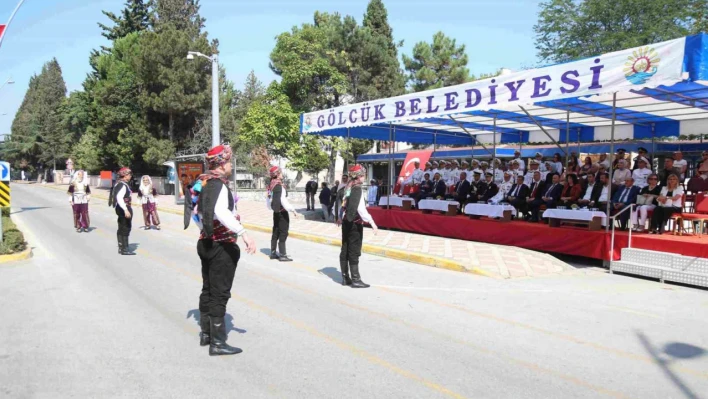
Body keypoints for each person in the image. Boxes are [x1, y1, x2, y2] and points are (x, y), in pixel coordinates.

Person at [192, 144, 256, 356]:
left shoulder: (203, 182)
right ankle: (218, 343)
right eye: (228, 162)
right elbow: (220, 211)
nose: (231, 165)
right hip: (221, 245)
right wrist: (243, 232)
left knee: (208, 288)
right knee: (219, 293)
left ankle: (206, 333)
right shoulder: (218, 185)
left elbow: (194, 213)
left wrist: (204, 230)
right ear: (221, 164)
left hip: (206, 242)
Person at [338, 164, 378, 288]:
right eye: (363, 174)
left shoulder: (347, 187)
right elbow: (361, 209)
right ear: (359, 176)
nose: (364, 177)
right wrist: (372, 222)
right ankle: (356, 279)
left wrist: (340, 217)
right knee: (354, 250)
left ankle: (345, 277)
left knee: (345, 248)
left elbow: (343, 205)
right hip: (354, 223)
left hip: (346, 221)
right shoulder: (357, 189)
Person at [267, 166, 298, 261]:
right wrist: (292, 210)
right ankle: (282, 254)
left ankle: (273, 253)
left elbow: (268, 199)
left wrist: (271, 208)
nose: (282, 174)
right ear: (278, 174)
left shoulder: (271, 185)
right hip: (282, 212)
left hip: (275, 212)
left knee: (275, 231)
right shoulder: (279, 186)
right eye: (280, 173)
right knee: (283, 232)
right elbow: (283, 200)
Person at [111, 167, 136, 255]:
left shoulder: (118, 184)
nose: (130, 176)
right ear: (124, 176)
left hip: (120, 207)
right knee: (126, 227)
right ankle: (124, 249)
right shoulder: (123, 185)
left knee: (121, 227)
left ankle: (121, 247)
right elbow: (119, 198)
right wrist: (126, 210)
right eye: (129, 174)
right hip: (124, 207)